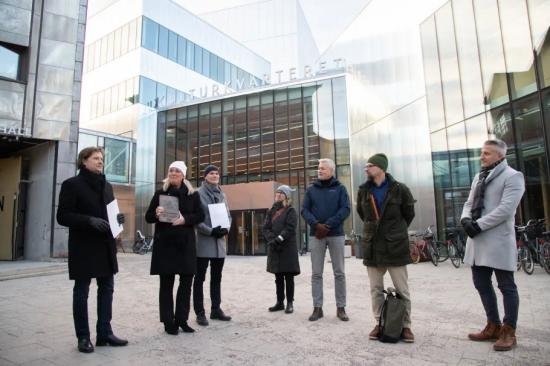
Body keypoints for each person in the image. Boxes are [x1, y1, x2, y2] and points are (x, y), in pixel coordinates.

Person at [57, 146, 128, 353]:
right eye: (96, 158)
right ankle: (83, 337)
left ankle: (104, 333)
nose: (100, 161)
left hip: (105, 245)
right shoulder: (72, 185)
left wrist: (118, 220)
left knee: (107, 289)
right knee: (82, 292)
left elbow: (111, 213)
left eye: (102, 158)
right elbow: (62, 216)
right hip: (84, 246)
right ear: (84, 161)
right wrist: (88, 220)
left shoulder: (107, 186)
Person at [460, 139, 525, 351]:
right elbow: (469, 203)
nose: (482, 156)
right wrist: (465, 219)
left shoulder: (513, 176)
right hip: (478, 240)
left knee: (506, 286)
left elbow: (506, 209)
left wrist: (478, 225)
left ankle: (509, 331)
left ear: (500, 156)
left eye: (487, 153)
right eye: (482, 152)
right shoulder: (479, 177)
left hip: (498, 240)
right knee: (481, 283)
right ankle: (493, 325)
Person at [356, 153, 416, 343]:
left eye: (370, 165)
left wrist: (395, 232)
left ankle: (406, 326)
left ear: (382, 168)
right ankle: (379, 323)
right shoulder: (363, 191)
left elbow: (409, 214)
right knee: (375, 289)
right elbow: (362, 214)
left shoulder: (400, 189)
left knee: (402, 289)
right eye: (365, 166)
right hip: (373, 246)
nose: (366, 169)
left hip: (395, 246)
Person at [145, 161, 205, 335]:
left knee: (186, 284)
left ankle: (182, 320)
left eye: (177, 170)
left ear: (183, 174)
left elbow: (200, 215)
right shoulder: (160, 193)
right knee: (166, 285)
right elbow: (149, 217)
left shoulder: (193, 195)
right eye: (171, 170)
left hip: (185, 245)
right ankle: (168, 321)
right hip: (165, 245)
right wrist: (156, 213)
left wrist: (185, 219)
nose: (173, 172)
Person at [301, 158, 351, 322]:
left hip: (336, 234)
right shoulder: (311, 190)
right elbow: (304, 210)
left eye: (323, 168)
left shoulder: (340, 189)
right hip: (316, 235)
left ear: (331, 171)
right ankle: (317, 308)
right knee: (316, 273)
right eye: (318, 168)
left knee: (339, 273)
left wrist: (327, 225)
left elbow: (345, 209)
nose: (319, 170)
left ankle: (341, 308)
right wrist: (316, 225)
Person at [193, 165, 232, 326]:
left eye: (217, 173)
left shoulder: (222, 194)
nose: (215, 175)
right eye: (211, 173)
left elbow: (228, 215)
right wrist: (210, 231)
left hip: (219, 244)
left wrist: (226, 229)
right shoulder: (197, 194)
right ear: (205, 176)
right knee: (199, 279)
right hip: (204, 242)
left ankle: (216, 309)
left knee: (217, 278)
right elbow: (196, 219)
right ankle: (200, 313)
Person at [263, 185, 301, 314]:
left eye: (281, 193)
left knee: (289, 277)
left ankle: (290, 303)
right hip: (275, 247)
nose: (278, 195)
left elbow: (290, 228)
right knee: (278, 276)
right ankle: (280, 302)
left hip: (287, 247)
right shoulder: (271, 210)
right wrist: (272, 239)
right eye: (277, 192)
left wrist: (279, 238)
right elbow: (266, 228)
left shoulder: (290, 210)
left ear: (286, 196)